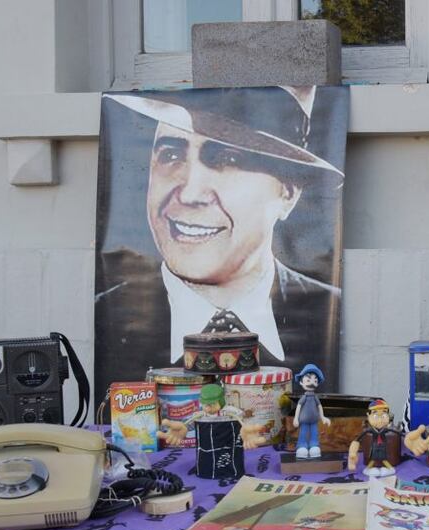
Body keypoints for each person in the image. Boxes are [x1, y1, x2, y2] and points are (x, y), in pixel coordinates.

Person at [95, 87, 346, 393]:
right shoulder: (111, 317)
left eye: (228, 159)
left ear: (288, 193)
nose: (189, 194)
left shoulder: (326, 312)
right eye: (171, 155)